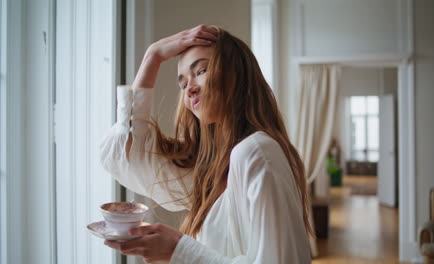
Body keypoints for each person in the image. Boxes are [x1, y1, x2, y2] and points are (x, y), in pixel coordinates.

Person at [100, 24, 313, 263]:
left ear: (237, 74)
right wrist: (153, 55)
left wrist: (178, 250)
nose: (189, 88)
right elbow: (127, 154)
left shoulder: (256, 152)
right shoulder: (209, 168)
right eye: (182, 83)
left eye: (201, 70)